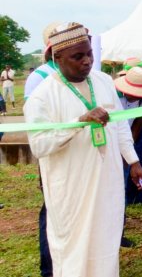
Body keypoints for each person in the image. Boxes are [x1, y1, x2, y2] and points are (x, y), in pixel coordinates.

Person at [23, 22, 142, 276]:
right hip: (70, 186)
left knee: (106, 240)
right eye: (77, 56)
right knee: (73, 248)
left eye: (89, 53)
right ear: (57, 58)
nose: (87, 61)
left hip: (107, 179)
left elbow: (120, 124)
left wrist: (133, 161)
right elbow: (39, 145)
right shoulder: (43, 95)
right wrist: (78, 123)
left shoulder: (103, 81)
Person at [23, 21, 60, 277]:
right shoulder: (39, 77)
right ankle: (49, 267)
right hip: (52, 151)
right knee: (51, 206)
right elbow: (35, 123)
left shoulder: (81, 73)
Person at [114, 67, 142, 205]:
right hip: (113, 131)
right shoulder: (113, 95)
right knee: (118, 163)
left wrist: (130, 146)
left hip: (134, 128)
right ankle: (123, 198)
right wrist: (122, 149)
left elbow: (139, 119)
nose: (138, 95)